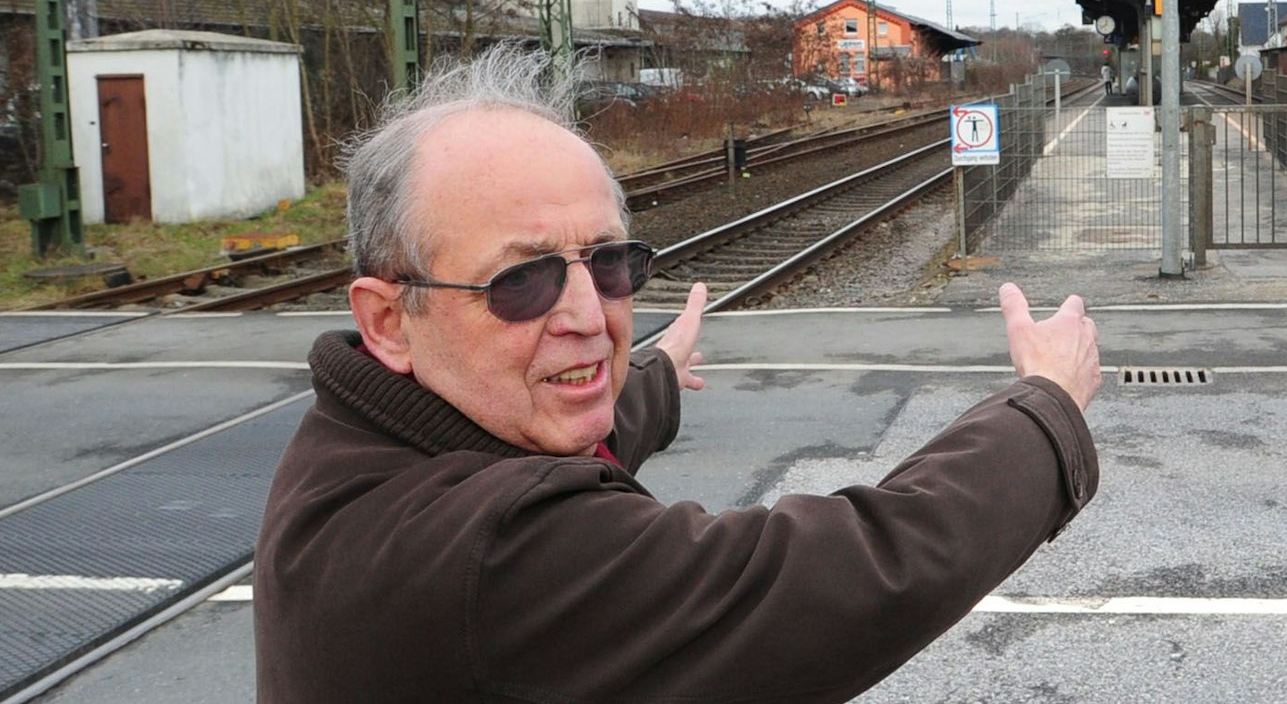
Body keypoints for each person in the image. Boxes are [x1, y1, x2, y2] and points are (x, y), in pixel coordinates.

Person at [255, 47, 1101, 703]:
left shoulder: (365, 437)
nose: (589, 313)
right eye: (523, 280)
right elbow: (846, 578)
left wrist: (653, 373)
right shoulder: (496, 554)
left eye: (611, 262)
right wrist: (1046, 405)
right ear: (388, 318)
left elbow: (555, 426)